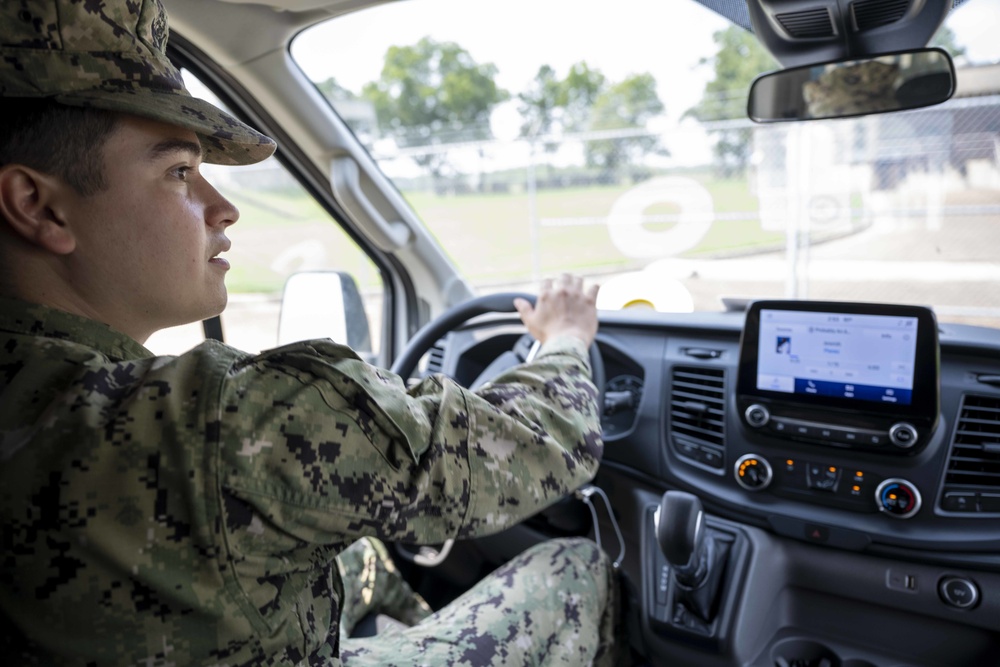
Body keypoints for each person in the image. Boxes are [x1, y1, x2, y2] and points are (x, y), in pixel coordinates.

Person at [0, 1, 620, 665]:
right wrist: (564, 337)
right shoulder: (221, 420)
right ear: (39, 205)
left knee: (365, 557)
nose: (224, 207)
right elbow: (544, 440)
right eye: (179, 172)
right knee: (572, 566)